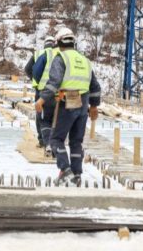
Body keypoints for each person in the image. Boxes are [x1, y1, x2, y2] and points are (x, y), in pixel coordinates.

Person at [35, 27, 100, 186]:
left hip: (67, 102)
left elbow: (54, 82)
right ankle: (77, 174)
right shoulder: (85, 61)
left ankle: (65, 170)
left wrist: (42, 100)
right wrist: (94, 106)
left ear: (58, 43)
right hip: (83, 103)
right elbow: (95, 86)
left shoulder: (61, 58)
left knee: (56, 139)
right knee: (76, 141)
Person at [25, 36, 56, 149]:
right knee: (54, 115)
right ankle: (53, 140)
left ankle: (42, 140)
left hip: (41, 90)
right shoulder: (59, 54)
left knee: (41, 116)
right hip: (57, 91)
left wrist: (35, 81)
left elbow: (29, 69)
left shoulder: (39, 53)